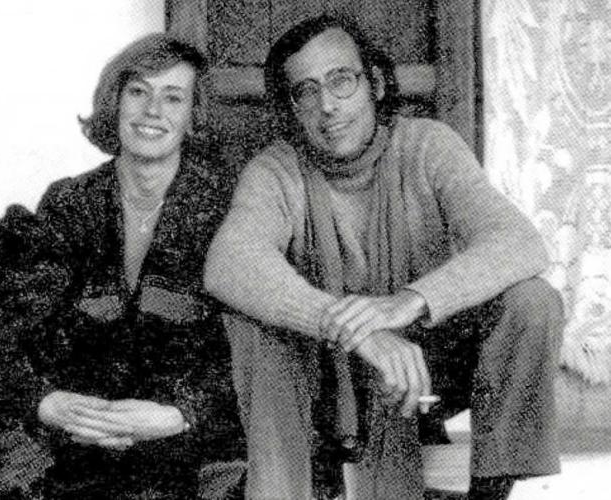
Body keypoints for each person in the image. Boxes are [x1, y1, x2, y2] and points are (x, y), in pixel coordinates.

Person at [204, 14, 563, 500]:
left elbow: (520, 242)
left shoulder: (427, 144)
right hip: (329, 381)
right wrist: (359, 331)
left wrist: (408, 302)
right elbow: (229, 263)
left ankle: (490, 490)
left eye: (341, 80)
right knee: (252, 323)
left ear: (373, 83)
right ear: (292, 107)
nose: (327, 105)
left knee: (533, 300)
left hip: (427, 372)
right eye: (306, 91)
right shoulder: (276, 170)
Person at [0, 33, 244, 499]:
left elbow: (249, 348)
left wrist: (179, 414)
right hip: (79, 446)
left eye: (173, 97)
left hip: (192, 451)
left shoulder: (225, 207)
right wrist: (47, 403)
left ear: (193, 116)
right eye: (138, 91)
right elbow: (21, 332)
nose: (152, 110)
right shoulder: (69, 203)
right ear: (115, 102)